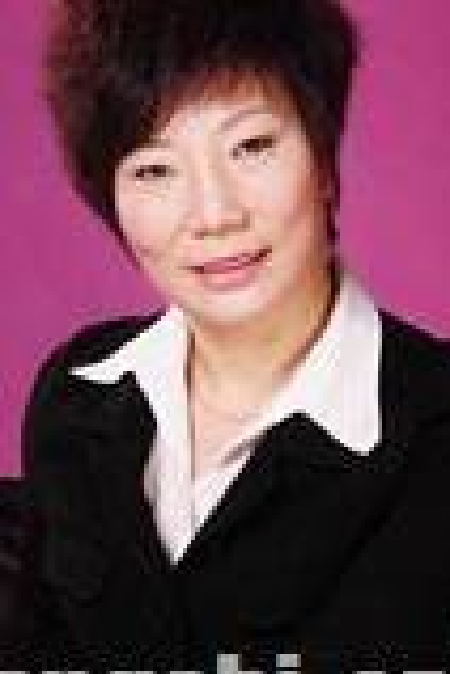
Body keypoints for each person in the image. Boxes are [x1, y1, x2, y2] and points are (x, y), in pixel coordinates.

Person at [1, 0, 449, 670]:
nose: (213, 214)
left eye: (252, 147)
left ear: (324, 162)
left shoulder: (435, 427)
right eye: (154, 169)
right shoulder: (76, 393)